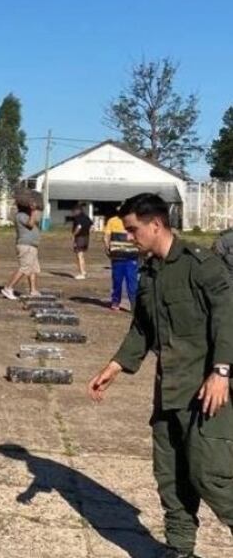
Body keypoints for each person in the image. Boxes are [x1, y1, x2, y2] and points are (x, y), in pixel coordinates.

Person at [87, 193, 233, 558]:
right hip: (168, 392)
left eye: (133, 229)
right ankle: (180, 549)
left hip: (207, 393)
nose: (129, 236)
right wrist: (115, 366)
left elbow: (228, 317)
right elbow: (142, 328)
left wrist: (222, 371)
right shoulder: (149, 271)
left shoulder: (202, 266)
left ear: (156, 224)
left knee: (210, 476)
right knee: (171, 478)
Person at [1, 198, 41, 300]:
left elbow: (37, 222)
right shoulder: (21, 215)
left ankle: (33, 290)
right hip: (25, 245)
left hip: (32, 246)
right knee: (24, 267)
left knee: (33, 268)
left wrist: (35, 212)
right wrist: (33, 211)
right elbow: (30, 224)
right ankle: (8, 288)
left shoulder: (27, 215)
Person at [104, 206, 140, 311]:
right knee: (117, 281)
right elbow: (106, 235)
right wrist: (107, 247)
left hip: (131, 256)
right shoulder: (112, 221)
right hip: (118, 256)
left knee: (131, 282)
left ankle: (133, 304)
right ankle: (116, 302)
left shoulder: (135, 221)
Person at [70, 204, 93, 280]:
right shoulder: (86, 217)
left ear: (78, 210)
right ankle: (84, 272)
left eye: (74, 211)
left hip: (79, 238)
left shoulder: (78, 218)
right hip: (86, 237)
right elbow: (91, 226)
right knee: (81, 255)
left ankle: (82, 273)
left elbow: (79, 227)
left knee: (79, 255)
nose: (73, 212)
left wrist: (73, 235)